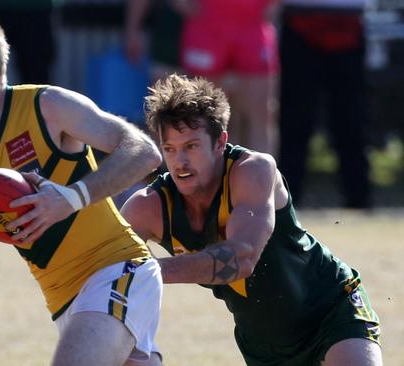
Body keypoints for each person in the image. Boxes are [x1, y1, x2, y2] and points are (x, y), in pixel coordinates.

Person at [0, 6, 163, 366]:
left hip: (117, 268)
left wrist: (71, 197)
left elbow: (144, 152)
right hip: (63, 301)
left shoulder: (47, 105)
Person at [121, 74, 382, 365]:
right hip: (263, 345)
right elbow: (101, 270)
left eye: (191, 146)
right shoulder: (148, 207)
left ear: (220, 141)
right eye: (170, 149)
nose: (180, 162)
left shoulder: (253, 171)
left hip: (331, 310)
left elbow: (242, 259)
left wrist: (145, 272)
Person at [278, 0, 372, 208]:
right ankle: (287, 201)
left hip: (348, 25)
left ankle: (359, 199)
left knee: (351, 119)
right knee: (295, 120)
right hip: (299, 22)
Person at [178, 0, 279, 156]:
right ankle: (205, 177)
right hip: (208, 24)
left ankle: (261, 177)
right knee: (202, 115)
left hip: (252, 25)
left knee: (261, 114)